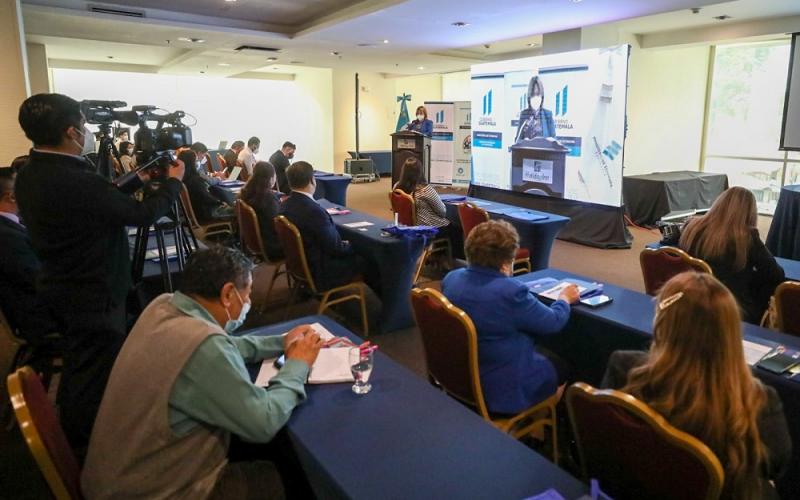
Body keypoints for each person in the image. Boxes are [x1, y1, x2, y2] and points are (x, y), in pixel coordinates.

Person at [15, 93, 186, 453]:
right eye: (85, 125)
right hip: (94, 291)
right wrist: (172, 184)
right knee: (91, 374)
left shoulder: (30, 173)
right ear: (71, 132)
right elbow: (139, 216)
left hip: (62, 284)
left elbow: (99, 201)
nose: (89, 132)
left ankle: (85, 434)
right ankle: (87, 448)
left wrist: (139, 178)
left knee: (83, 365)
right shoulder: (78, 181)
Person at [82, 247, 323, 499]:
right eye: (248, 294)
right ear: (228, 294)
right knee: (283, 471)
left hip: (117, 476)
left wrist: (281, 342)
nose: (248, 303)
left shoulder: (163, 305)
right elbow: (263, 422)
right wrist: (297, 364)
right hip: (156, 491)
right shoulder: (204, 346)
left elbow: (225, 345)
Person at [601, 272, 791, 499]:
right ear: (731, 331)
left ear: (663, 322)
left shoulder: (623, 367)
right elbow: (775, 466)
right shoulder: (759, 401)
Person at [441, 220, 579, 414]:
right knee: (563, 366)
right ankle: (531, 424)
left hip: (458, 376)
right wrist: (564, 298)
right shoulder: (511, 293)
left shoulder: (451, 278)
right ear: (507, 260)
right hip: (498, 385)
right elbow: (553, 322)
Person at [678, 186, 784, 323]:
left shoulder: (691, 226)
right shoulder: (747, 237)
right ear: (749, 212)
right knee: (768, 285)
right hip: (729, 307)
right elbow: (777, 274)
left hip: (691, 296)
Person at [279, 161, 372, 291]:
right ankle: (388, 307)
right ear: (312, 180)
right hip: (321, 270)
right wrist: (357, 246)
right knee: (370, 259)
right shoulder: (314, 212)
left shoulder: (284, 205)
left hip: (301, 266)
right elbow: (336, 248)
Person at [0, 168, 58, 350]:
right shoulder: (6, 237)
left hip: (34, 305)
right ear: (11, 197)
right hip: (39, 317)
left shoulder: (10, 226)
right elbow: (37, 279)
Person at [395, 157, 458, 243]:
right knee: (456, 226)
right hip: (427, 229)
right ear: (420, 172)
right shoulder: (426, 190)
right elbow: (442, 212)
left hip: (405, 226)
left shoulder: (397, 188)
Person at [241, 161, 283, 260]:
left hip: (257, 242)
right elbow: (278, 225)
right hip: (272, 246)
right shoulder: (268, 199)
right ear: (271, 178)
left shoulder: (247, 192)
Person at [179, 149, 234, 224]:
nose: (197, 162)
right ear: (192, 163)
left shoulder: (182, 178)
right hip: (207, 213)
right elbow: (206, 197)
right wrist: (220, 202)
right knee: (238, 211)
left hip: (198, 213)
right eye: (196, 160)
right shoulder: (195, 180)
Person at [515, 76, 556, 142]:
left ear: (542, 97)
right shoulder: (524, 114)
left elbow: (554, 140)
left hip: (544, 152)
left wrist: (548, 141)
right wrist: (524, 142)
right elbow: (517, 140)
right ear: (529, 97)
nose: (535, 99)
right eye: (533, 95)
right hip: (526, 152)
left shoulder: (548, 115)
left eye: (538, 95)